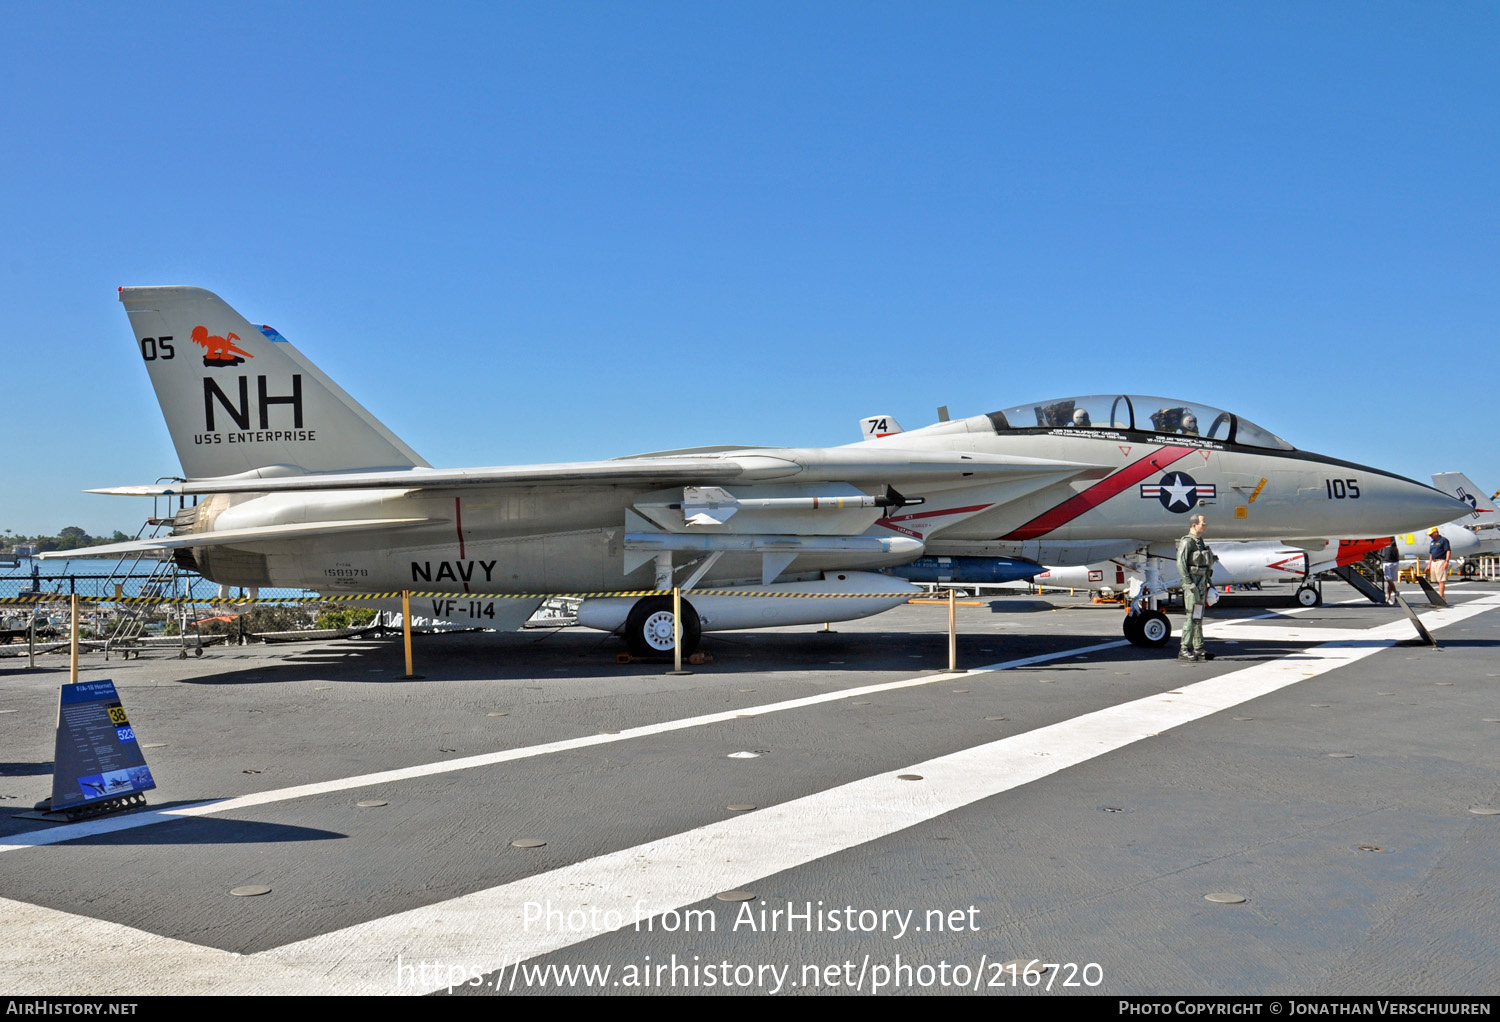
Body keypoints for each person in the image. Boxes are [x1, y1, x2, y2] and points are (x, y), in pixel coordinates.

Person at [1176, 514, 1215, 661]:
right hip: (1192, 585)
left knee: (1198, 616)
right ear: (1194, 525)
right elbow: (1181, 563)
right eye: (1202, 524)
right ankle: (1184, 649)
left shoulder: (1200, 542)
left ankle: (1199, 648)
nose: (1204, 526)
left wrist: (1209, 582)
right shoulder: (1187, 542)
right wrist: (1188, 583)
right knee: (1191, 616)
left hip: (1201, 583)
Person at [1428, 527, 1452, 599]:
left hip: (1441, 561)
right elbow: (1431, 554)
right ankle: (1441, 594)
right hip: (1434, 562)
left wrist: (1447, 561)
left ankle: (1442, 596)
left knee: (1441, 580)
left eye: (1431, 534)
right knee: (1435, 580)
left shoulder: (1443, 540)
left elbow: (1448, 550)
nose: (1430, 536)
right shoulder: (1432, 542)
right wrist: (1429, 564)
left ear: (1436, 533)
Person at [1380, 537, 1401, 603]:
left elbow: (1395, 547)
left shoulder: (1392, 537)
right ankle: (1396, 592)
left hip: (1394, 560)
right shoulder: (1380, 538)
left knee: (1391, 580)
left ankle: (1388, 596)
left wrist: (1397, 558)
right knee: (1389, 579)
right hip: (1386, 561)